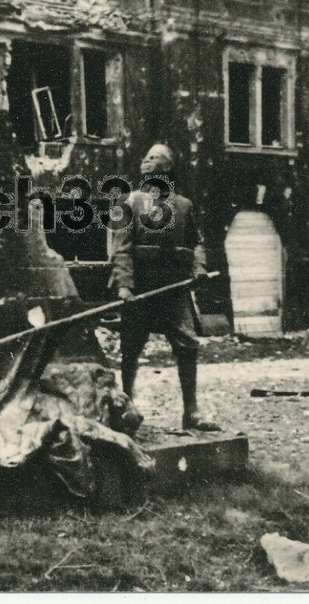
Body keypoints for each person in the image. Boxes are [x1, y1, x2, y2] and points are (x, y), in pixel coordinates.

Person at [108, 143, 220, 432]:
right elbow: (120, 250)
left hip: (174, 289)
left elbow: (197, 244)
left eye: (154, 158)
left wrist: (199, 269)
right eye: (145, 157)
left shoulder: (183, 206)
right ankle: (126, 407)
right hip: (140, 291)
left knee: (188, 345)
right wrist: (124, 286)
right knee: (131, 347)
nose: (146, 161)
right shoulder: (129, 203)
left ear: (168, 167)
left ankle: (191, 411)